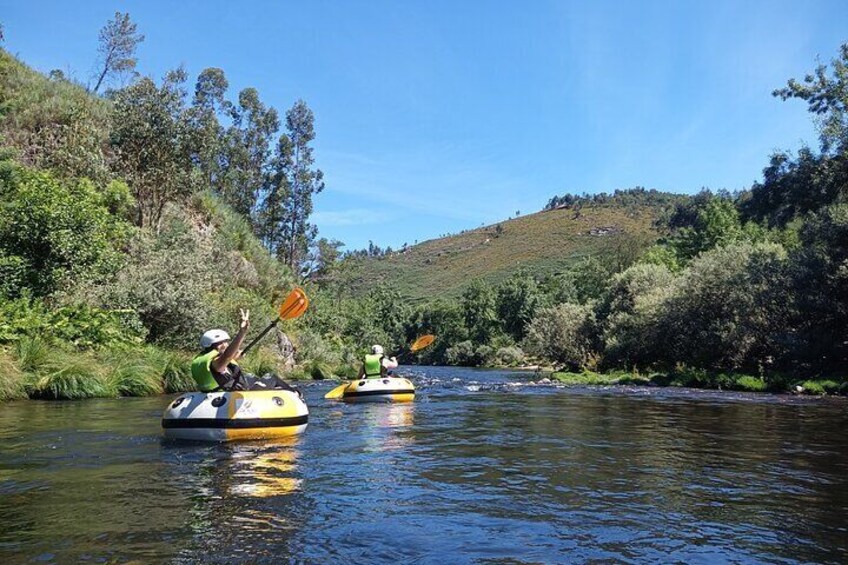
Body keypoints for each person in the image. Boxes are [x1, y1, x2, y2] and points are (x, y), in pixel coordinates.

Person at [191, 309, 295, 393]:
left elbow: (228, 358)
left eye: (226, 342)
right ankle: (296, 395)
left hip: (217, 392)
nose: (225, 345)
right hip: (230, 396)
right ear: (212, 346)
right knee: (270, 377)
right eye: (221, 343)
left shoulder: (204, 359)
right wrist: (242, 332)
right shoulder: (216, 363)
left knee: (250, 377)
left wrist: (235, 356)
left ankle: (276, 391)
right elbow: (226, 357)